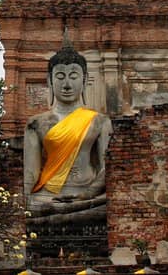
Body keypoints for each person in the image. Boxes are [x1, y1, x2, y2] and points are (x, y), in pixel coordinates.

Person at [23, 33, 112, 226]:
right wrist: (26, 200)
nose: (66, 84)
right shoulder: (36, 123)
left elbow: (107, 168)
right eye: (60, 76)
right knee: (32, 208)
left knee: (110, 205)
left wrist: (85, 195)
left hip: (88, 197)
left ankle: (65, 212)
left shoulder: (99, 121)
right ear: (49, 81)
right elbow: (31, 173)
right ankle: (58, 212)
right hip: (48, 197)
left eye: (73, 76)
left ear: (85, 79)